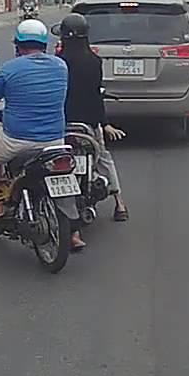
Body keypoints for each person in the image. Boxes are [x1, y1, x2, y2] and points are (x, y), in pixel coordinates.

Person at [0, 18, 69, 225]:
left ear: (18, 45)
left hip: (17, 139)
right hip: (55, 139)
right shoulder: (61, 66)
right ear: (44, 44)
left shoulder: (9, 70)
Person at [56, 13, 130, 251]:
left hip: (61, 124)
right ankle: (119, 203)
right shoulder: (94, 62)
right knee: (104, 159)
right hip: (88, 125)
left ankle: (71, 225)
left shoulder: (57, 62)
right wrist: (104, 123)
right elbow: (95, 95)